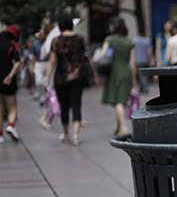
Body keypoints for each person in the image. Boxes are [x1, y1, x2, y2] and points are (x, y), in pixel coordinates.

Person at [44, 14, 94, 146]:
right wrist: (94, 74)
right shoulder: (80, 39)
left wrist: (47, 78)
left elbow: (52, 61)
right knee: (76, 105)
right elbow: (87, 56)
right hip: (78, 77)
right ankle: (76, 136)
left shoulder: (56, 41)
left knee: (64, 106)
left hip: (61, 78)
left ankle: (66, 133)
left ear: (60, 26)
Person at [100, 16, 136, 136]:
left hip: (115, 71)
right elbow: (132, 62)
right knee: (122, 100)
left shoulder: (110, 39)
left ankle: (124, 128)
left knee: (119, 102)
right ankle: (117, 126)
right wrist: (134, 77)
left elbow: (102, 55)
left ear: (114, 26)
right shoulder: (129, 41)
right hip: (126, 71)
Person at [0, 25, 22, 144]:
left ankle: (0, 135)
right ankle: (11, 125)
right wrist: (10, 75)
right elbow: (18, 62)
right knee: (12, 107)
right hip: (8, 80)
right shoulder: (13, 45)